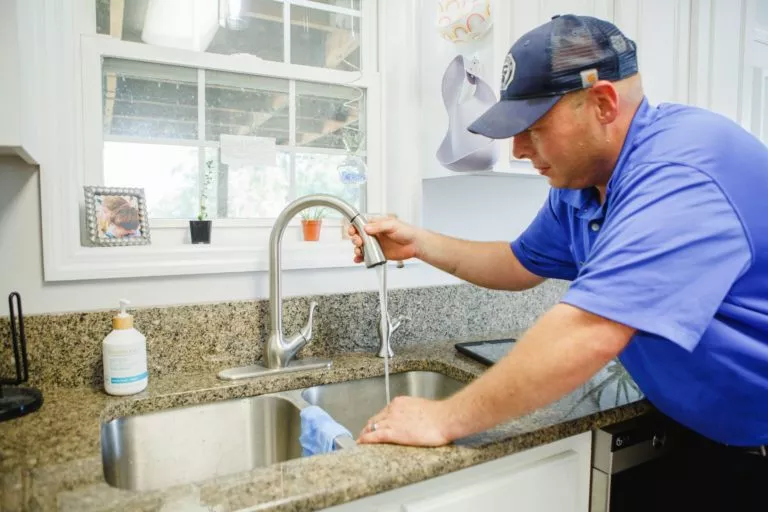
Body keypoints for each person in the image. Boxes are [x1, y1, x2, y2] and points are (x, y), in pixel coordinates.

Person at [348, 14, 768, 510]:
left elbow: (589, 331)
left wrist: (443, 419)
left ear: (603, 104)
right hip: (699, 429)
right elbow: (518, 263)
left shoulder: (682, 173)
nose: (518, 149)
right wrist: (418, 243)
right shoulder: (585, 183)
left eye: (534, 129)